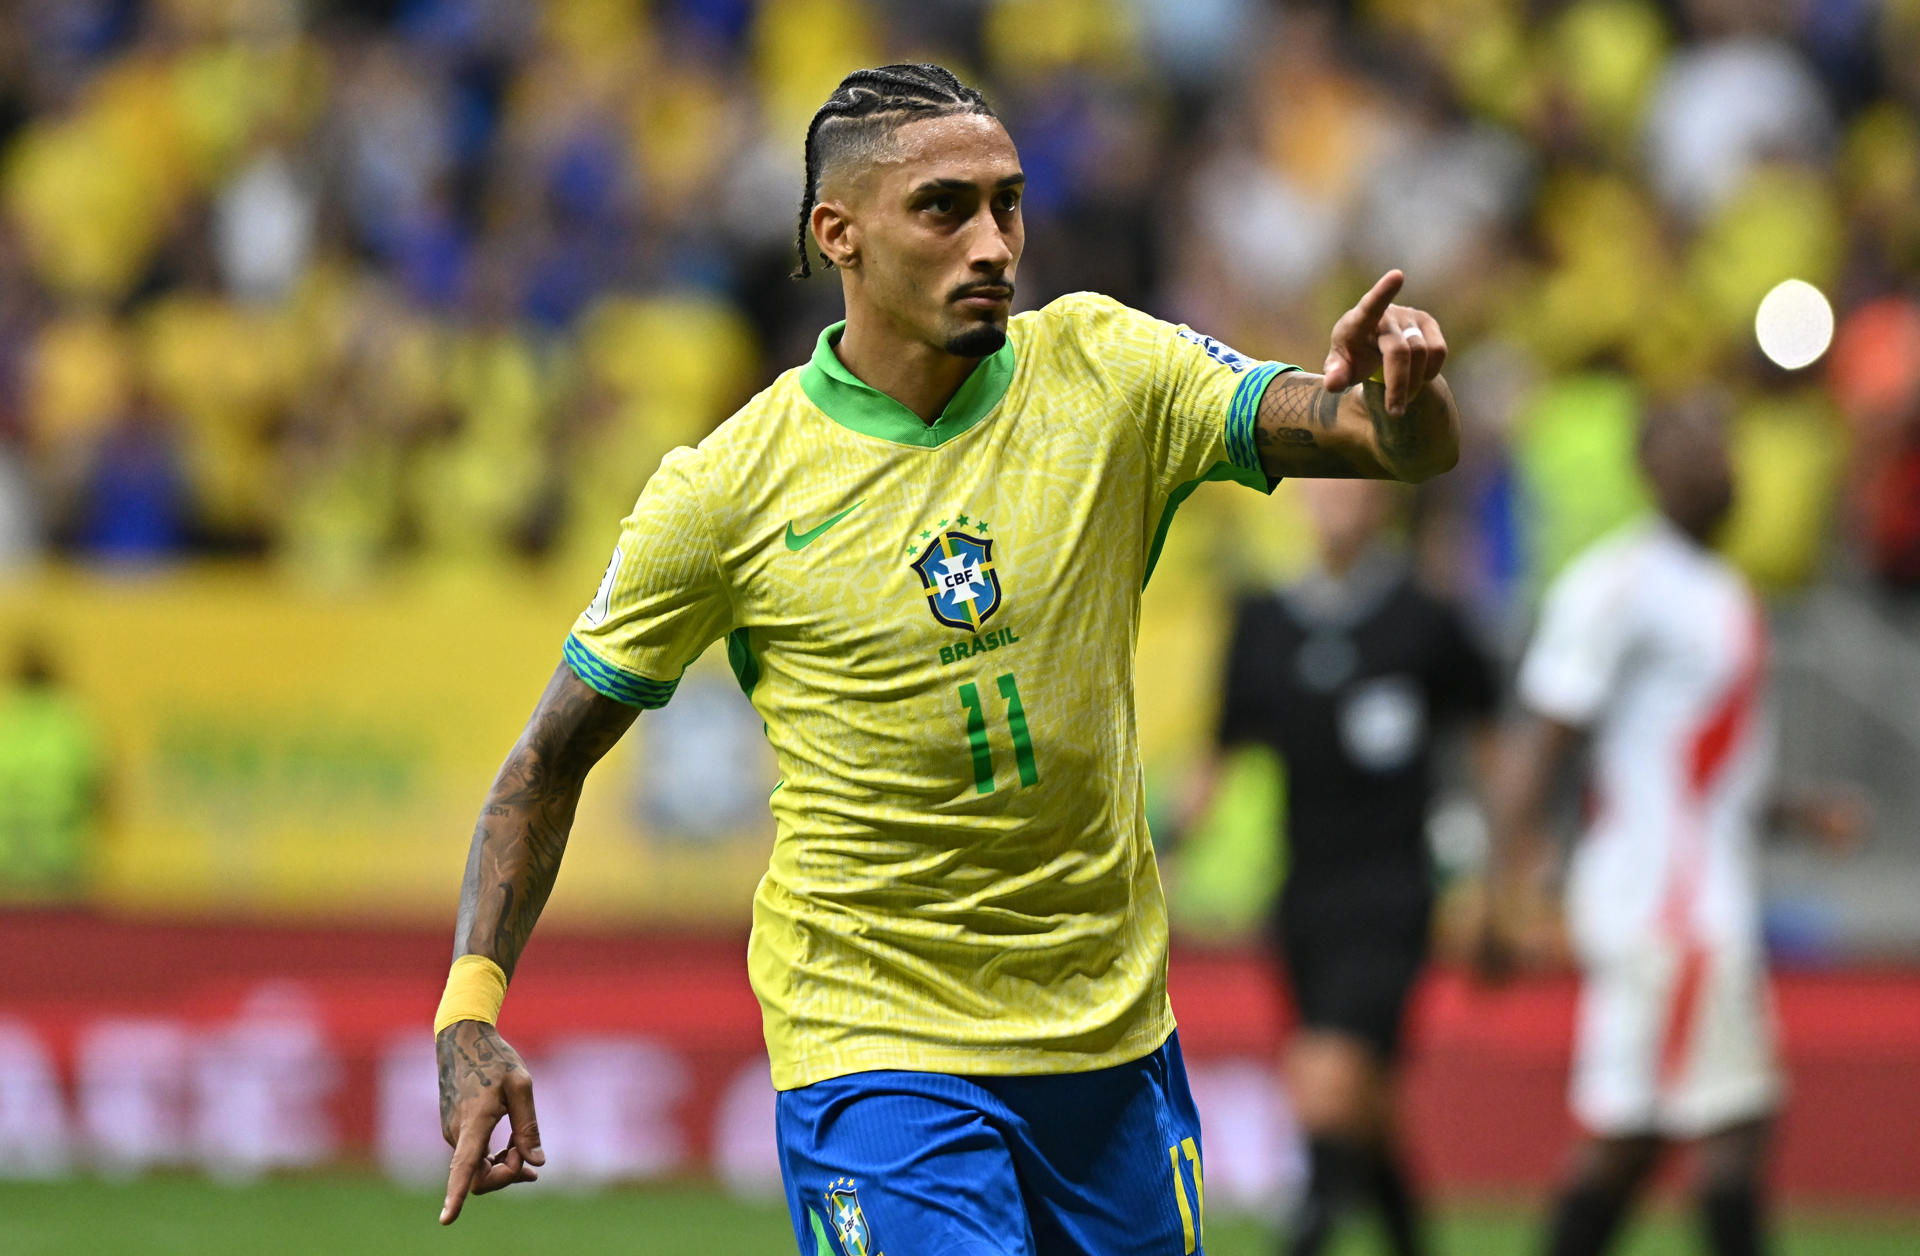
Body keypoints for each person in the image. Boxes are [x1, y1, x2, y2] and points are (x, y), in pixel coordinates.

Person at [432, 63, 1461, 1256]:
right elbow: (545, 761)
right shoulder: (726, 491)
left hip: (1109, 1039)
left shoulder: (1107, 373)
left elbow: (1384, 448)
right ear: (840, 235)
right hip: (877, 1051)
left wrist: (1400, 400)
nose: (993, 243)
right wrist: (469, 1011)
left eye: (1008, 203)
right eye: (944, 208)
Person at [1478, 395, 1863, 1256]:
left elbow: (1700, 768)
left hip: (1699, 892)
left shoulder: (1722, 591)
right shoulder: (1617, 584)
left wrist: (1798, 811)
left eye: (1720, 440)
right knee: (1723, 1126)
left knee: (1649, 1135)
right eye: (1691, 443)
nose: (1715, 461)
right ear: (1648, 470)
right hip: (1664, 904)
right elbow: (1540, 742)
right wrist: (1501, 889)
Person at [1186, 478, 1498, 1256]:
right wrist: (1153, 857)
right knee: (1367, 1107)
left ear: (1384, 501)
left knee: (1327, 1090)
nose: (1337, 500)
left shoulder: (1425, 618)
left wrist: (1507, 872)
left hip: (1393, 895)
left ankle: (1305, 1234)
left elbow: (1490, 743)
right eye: (1321, 483)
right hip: (1304, 898)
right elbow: (1215, 764)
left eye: (1353, 485)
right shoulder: (1264, 621)